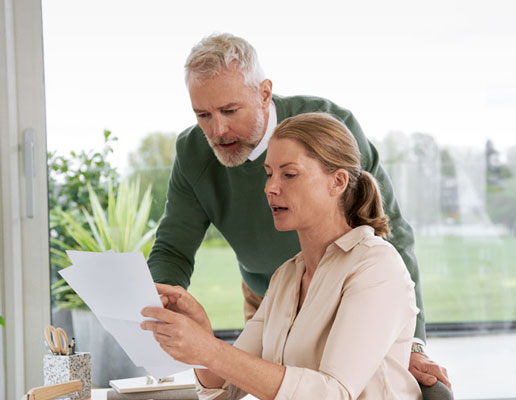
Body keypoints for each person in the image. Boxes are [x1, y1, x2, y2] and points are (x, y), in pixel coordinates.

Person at [146, 33, 452, 396]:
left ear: (263, 93)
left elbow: (392, 233)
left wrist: (408, 342)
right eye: (203, 115)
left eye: (229, 111)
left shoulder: (330, 127)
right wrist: (178, 325)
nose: (218, 130)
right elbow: (173, 250)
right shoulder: (284, 279)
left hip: (355, 285)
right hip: (278, 287)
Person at [141, 112, 423, 399]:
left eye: (289, 174)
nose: (270, 188)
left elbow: (333, 393)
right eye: (269, 173)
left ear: (337, 182)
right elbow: (224, 390)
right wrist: (202, 333)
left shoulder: (376, 267)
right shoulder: (287, 276)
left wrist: (212, 351)